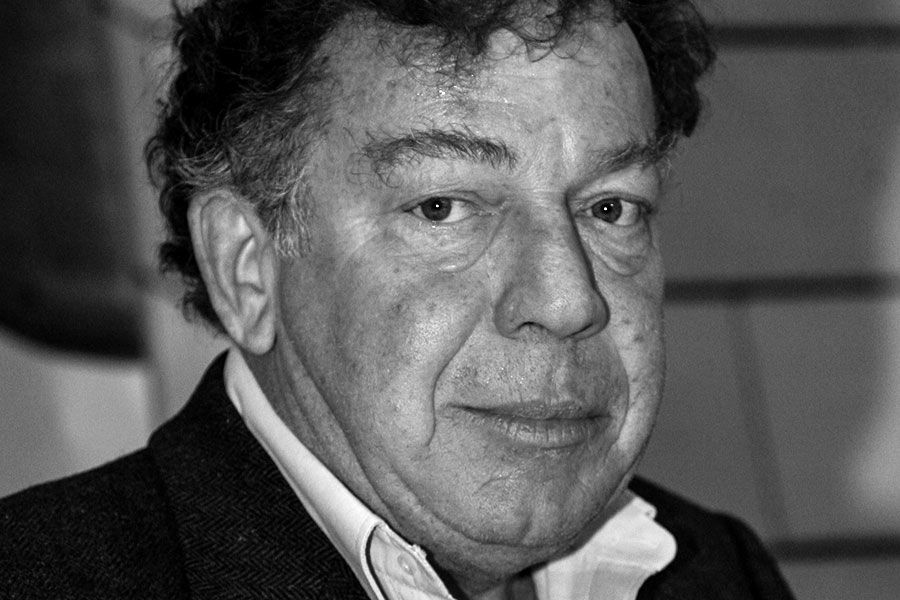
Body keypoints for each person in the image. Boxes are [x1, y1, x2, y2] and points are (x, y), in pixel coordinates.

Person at [0, 1, 794, 598]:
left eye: (612, 208)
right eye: (442, 207)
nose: (567, 300)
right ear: (246, 267)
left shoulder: (719, 573)